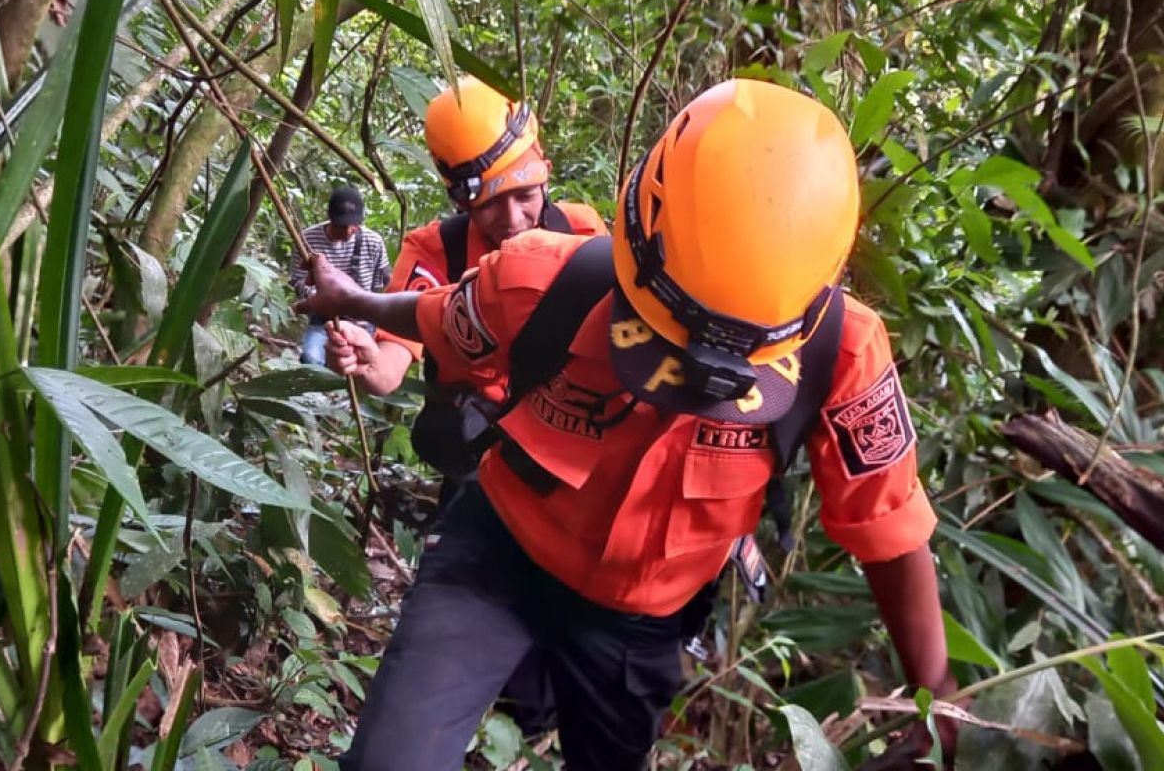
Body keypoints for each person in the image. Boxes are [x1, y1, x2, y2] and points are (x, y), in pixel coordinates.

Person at [300, 79, 958, 771]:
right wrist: (358, 304)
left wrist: (934, 689)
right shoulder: (542, 278)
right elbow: (437, 317)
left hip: (640, 621)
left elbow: (889, 527)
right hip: (498, 560)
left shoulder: (843, 354)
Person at [323, 78, 606, 737]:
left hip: (566, 442)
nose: (513, 221)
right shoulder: (437, 252)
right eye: (491, 208)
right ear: (459, 198)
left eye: (524, 197)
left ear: (545, 176)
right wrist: (366, 362)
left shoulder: (584, 233)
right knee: (480, 582)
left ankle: (532, 711)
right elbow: (393, 363)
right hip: (477, 442)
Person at [287, 184, 389, 365]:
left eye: (354, 225)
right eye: (343, 225)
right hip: (323, 320)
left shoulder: (373, 242)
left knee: (361, 365)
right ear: (331, 219)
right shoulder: (307, 240)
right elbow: (297, 279)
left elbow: (379, 284)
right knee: (311, 358)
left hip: (362, 320)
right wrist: (317, 297)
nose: (349, 230)